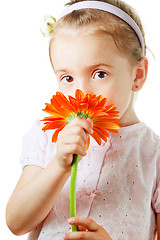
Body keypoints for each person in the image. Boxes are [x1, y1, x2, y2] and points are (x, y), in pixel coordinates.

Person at [6, 0, 160, 239]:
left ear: (137, 75)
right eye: (67, 78)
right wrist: (58, 166)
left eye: (100, 74)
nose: (82, 92)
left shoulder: (154, 155)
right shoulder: (48, 135)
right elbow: (16, 223)